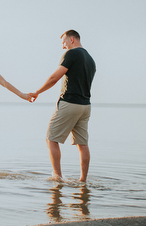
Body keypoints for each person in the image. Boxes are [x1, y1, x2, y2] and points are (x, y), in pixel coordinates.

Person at [29, 30, 96, 182]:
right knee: (82, 144)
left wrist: (37, 92)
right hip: (85, 106)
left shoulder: (71, 54)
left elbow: (54, 78)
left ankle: (57, 177)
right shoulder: (91, 59)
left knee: (50, 139)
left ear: (71, 39)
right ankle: (83, 180)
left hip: (70, 103)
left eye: (64, 42)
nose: (63, 46)